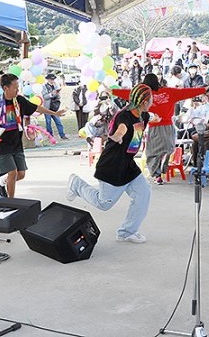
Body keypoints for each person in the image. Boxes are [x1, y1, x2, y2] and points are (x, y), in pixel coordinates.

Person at [66, 84, 154, 243]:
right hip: (112, 165)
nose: (153, 101)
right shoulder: (124, 117)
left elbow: (141, 125)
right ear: (144, 102)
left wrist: (157, 118)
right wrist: (117, 136)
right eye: (151, 99)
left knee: (144, 194)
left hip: (128, 165)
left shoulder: (144, 116)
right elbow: (122, 129)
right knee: (103, 204)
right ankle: (76, 184)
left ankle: (126, 232)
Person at [113, 74, 205, 184]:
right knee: (169, 148)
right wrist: (204, 89)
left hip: (154, 126)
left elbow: (127, 93)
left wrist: (112, 91)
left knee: (152, 152)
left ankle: (157, 175)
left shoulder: (143, 94)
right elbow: (187, 92)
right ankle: (164, 157)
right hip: (169, 127)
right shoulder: (169, 92)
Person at [42, 73, 68, 140]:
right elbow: (45, 96)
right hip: (47, 107)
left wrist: (57, 94)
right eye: (51, 79)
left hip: (54, 107)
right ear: (48, 79)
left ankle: (62, 135)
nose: (52, 81)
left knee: (58, 122)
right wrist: (51, 94)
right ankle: (50, 136)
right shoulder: (44, 87)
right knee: (48, 123)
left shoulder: (55, 86)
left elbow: (58, 96)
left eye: (53, 79)